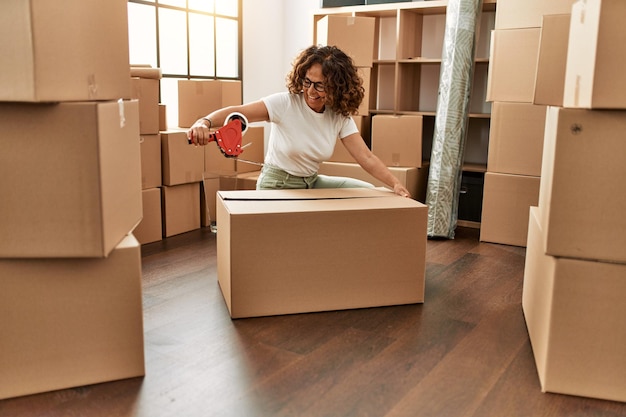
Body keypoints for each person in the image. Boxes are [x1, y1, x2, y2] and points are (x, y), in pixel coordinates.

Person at [187, 45, 411, 198]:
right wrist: (203, 122)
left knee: (369, 192)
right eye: (307, 81)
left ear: (338, 87)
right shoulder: (285, 103)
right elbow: (238, 111)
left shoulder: (339, 115)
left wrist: (395, 183)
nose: (310, 91)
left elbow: (366, 157)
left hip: (310, 183)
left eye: (320, 85)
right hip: (277, 185)